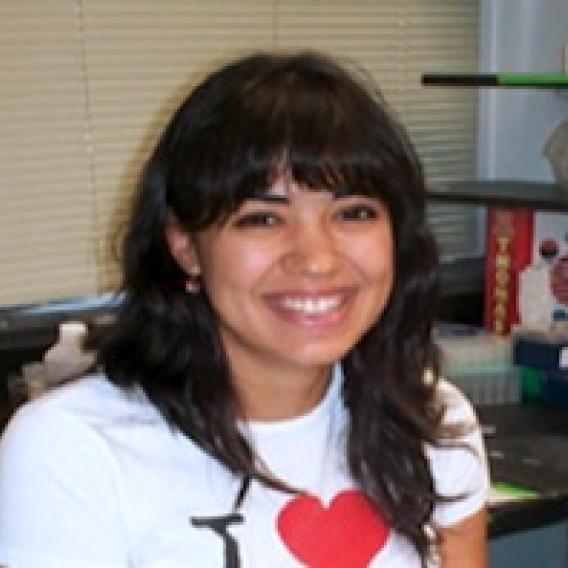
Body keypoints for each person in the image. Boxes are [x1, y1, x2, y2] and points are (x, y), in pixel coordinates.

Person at [0, 51, 489, 568]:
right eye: (262, 219)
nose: (317, 259)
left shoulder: (430, 421)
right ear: (185, 245)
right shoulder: (71, 449)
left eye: (354, 213)